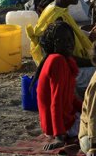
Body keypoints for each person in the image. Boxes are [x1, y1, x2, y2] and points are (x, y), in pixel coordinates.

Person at [26, 0, 92, 66]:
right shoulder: (57, 18)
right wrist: (92, 63)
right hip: (63, 70)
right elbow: (65, 57)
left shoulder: (57, 9)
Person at [33, 21, 82, 150]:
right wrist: (59, 136)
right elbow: (56, 101)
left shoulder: (64, 59)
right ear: (53, 43)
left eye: (70, 39)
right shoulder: (57, 61)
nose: (69, 44)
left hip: (61, 120)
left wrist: (85, 109)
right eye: (62, 40)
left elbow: (69, 97)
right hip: (60, 126)